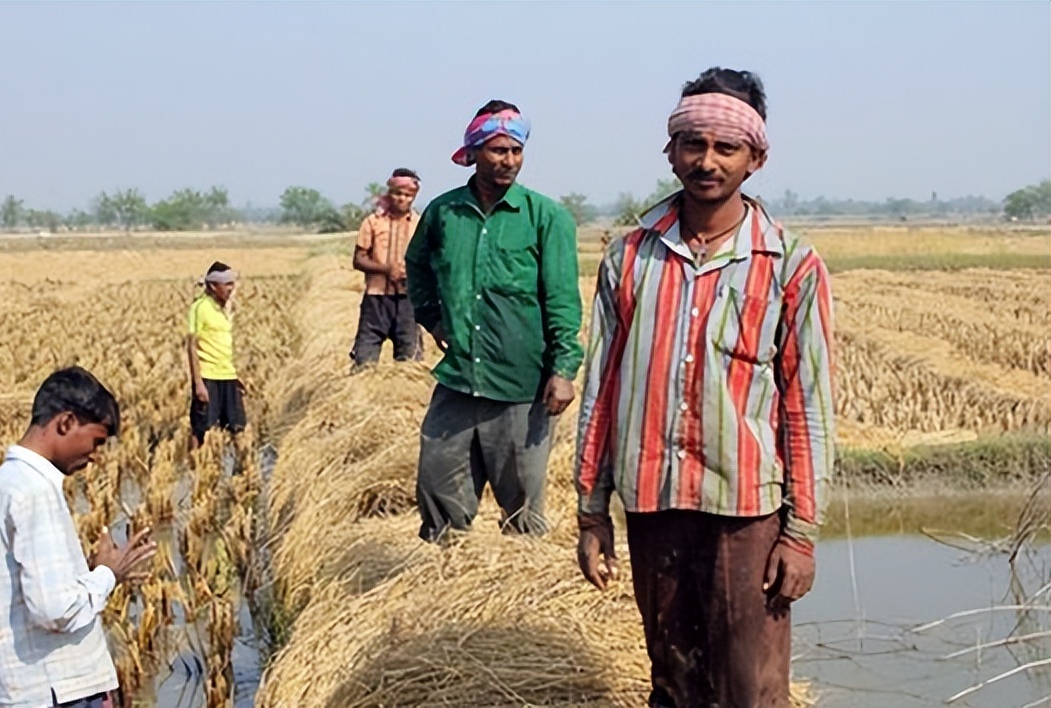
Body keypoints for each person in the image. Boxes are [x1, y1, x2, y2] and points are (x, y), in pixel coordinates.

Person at [574, 67, 836, 708]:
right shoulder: (630, 256)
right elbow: (601, 391)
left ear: (756, 157)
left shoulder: (790, 265)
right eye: (694, 143)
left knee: (750, 688)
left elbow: (808, 407)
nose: (707, 161)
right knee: (672, 680)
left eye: (726, 147)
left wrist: (799, 534)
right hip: (653, 503)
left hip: (746, 512)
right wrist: (591, 508)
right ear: (671, 151)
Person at [406, 99, 583, 542]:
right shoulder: (444, 213)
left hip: (522, 383)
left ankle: (517, 591)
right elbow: (418, 268)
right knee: (437, 486)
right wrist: (434, 321)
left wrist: (563, 370)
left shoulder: (546, 217)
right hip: (460, 378)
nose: (508, 161)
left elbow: (562, 298)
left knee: (522, 505)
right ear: (474, 151)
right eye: (498, 150)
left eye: (516, 151)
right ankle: (446, 578)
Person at [0, 366, 157, 708]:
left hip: (30, 689)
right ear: (66, 422)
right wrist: (107, 575)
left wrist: (85, 571)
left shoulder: (2, 484)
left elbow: (30, 590)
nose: (96, 455)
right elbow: (55, 609)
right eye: (96, 441)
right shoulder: (34, 491)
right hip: (59, 692)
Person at [350, 168, 424, 371]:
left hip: (408, 301)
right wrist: (386, 269)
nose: (402, 199)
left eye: (408, 195)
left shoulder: (421, 225)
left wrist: (410, 273)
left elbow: (429, 261)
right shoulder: (372, 222)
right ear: (389, 193)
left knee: (410, 364)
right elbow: (358, 259)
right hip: (376, 301)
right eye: (398, 193)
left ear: (414, 197)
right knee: (363, 361)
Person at [186, 261, 246, 450]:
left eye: (232, 284)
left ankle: (241, 471)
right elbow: (191, 346)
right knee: (202, 429)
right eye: (226, 284)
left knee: (238, 428)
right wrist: (198, 384)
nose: (231, 289)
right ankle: (197, 469)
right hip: (208, 377)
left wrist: (235, 378)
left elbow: (223, 347)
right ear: (213, 286)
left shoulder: (225, 310)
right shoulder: (200, 308)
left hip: (227, 376)